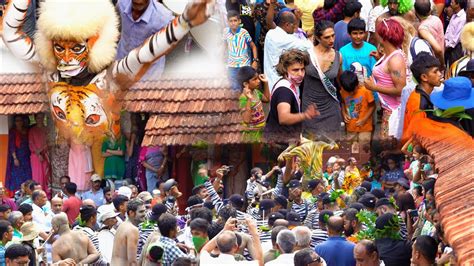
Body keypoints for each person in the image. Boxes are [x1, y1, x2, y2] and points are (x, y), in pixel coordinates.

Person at [264, 49, 319, 143]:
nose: (300, 74)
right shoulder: (284, 91)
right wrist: (305, 115)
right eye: (295, 70)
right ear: (285, 70)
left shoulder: (290, 85)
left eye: (302, 69)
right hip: (279, 145)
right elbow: (284, 118)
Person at [365, 18, 407, 139]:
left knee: (389, 150)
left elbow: (400, 89)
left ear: (384, 37)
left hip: (393, 112)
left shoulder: (395, 60)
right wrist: (379, 59)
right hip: (388, 109)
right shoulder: (389, 55)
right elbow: (388, 73)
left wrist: (374, 87)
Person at [302, 20, 343, 139]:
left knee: (330, 148)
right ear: (318, 38)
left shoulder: (338, 56)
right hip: (310, 107)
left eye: (333, 36)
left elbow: (339, 82)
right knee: (311, 147)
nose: (332, 40)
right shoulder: (307, 55)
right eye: (327, 37)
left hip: (331, 108)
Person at [116, 0, 174, 80]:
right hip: (121, 60)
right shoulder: (121, 3)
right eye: (135, 3)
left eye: (141, 3)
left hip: (146, 75)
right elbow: (116, 19)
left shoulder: (163, 17)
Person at [263, 11, 312, 90]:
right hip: (282, 83)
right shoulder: (285, 39)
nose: (295, 27)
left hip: (271, 81)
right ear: (287, 25)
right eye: (294, 25)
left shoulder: (270, 33)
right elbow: (308, 46)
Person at [402, 52, 442, 143]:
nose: (440, 74)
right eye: (435, 72)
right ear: (424, 77)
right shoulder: (419, 103)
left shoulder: (419, 95)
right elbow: (417, 135)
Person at [340, 70, 375, 151]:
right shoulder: (343, 91)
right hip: (350, 128)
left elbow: (372, 106)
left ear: (357, 84)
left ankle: (365, 163)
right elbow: (342, 103)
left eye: (353, 90)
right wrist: (344, 113)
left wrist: (364, 119)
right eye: (349, 92)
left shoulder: (366, 90)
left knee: (364, 149)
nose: (351, 93)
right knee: (352, 149)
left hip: (365, 127)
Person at [224, 11, 258, 91]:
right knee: (234, 89)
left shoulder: (244, 32)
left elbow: (253, 46)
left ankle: (247, 103)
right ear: (227, 22)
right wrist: (223, 61)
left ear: (239, 21)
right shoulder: (225, 32)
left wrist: (255, 61)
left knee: (246, 88)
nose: (233, 23)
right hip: (231, 67)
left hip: (244, 66)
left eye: (235, 20)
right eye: (231, 21)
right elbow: (225, 47)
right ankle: (237, 103)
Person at [238, 67, 270, 142]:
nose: (258, 81)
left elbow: (267, 99)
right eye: (255, 79)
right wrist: (249, 99)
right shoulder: (243, 99)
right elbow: (246, 120)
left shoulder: (256, 92)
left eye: (258, 78)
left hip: (259, 131)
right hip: (251, 135)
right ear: (246, 84)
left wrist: (266, 83)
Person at [111, 199, 146, 265]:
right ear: (131, 213)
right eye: (141, 212)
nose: (144, 214)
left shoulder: (122, 225)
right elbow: (132, 262)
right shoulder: (132, 229)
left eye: (144, 211)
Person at [415, 0, 445, 67]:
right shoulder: (436, 19)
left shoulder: (423, 29)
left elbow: (438, 50)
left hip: (433, 66)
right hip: (437, 63)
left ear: (416, 12)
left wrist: (442, 64)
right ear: (429, 10)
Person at [6, 115, 32, 193]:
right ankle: (17, 192)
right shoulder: (13, 132)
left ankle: (27, 190)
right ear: (14, 122)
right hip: (17, 157)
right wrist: (15, 158)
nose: (19, 122)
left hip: (26, 156)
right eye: (17, 120)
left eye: (20, 120)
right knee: (16, 174)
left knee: (27, 173)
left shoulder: (27, 130)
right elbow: (11, 145)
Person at [28, 113, 50, 198]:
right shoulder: (32, 130)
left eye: (41, 117)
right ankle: (37, 194)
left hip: (45, 155)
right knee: (37, 175)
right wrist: (38, 153)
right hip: (35, 156)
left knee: (45, 175)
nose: (39, 119)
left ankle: (46, 194)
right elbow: (31, 143)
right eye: (38, 117)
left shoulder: (47, 129)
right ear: (35, 118)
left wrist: (41, 152)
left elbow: (48, 142)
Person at [445, 0, 467, 67]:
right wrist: (445, 41)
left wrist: (447, 46)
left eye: (452, 3)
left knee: (454, 66)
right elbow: (448, 30)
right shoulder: (454, 15)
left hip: (456, 48)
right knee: (449, 66)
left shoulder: (463, 18)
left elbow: (456, 38)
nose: (450, 4)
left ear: (458, 5)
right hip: (448, 46)